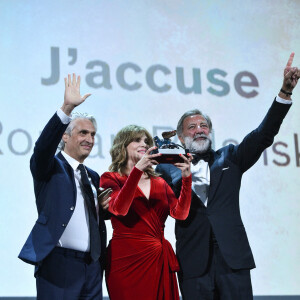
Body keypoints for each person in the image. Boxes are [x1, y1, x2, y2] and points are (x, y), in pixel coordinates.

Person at [156, 52, 300, 299]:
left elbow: (263, 134)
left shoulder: (230, 157)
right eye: (192, 127)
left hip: (233, 259)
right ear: (181, 137)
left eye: (204, 126)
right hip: (193, 261)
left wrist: (284, 94)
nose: (199, 130)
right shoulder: (166, 168)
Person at [18, 74, 108, 300]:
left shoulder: (93, 177)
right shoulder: (49, 166)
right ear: (65, 137)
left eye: (93, 134)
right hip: (58, 264)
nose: (89, 138)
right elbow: (42, 148)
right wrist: (67, 108)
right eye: (83, 133)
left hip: (92, 267)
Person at [100, 125, 192, 300]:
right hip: (125, 261)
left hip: (158, 260)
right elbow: (120, 209)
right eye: (137, 140)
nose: (144, 144)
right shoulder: (110, 178)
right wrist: (137, 171)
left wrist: (187, 178)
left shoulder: (160, 182)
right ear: (122, 145)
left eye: (146, 141)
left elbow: (180, 214)